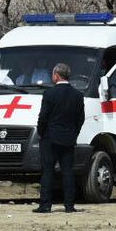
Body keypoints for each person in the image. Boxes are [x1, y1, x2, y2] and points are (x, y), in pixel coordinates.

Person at [35, 62, 85, 213]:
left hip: (50, 137)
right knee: (68, 172)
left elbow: (43, 117)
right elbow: (80, 118)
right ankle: (69, 205)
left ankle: (45, 205)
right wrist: (74, 133)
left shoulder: (49, 94)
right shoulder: (77, 95)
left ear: (56, 75)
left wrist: (41, 132)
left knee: (48, 171)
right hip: (68, 138)